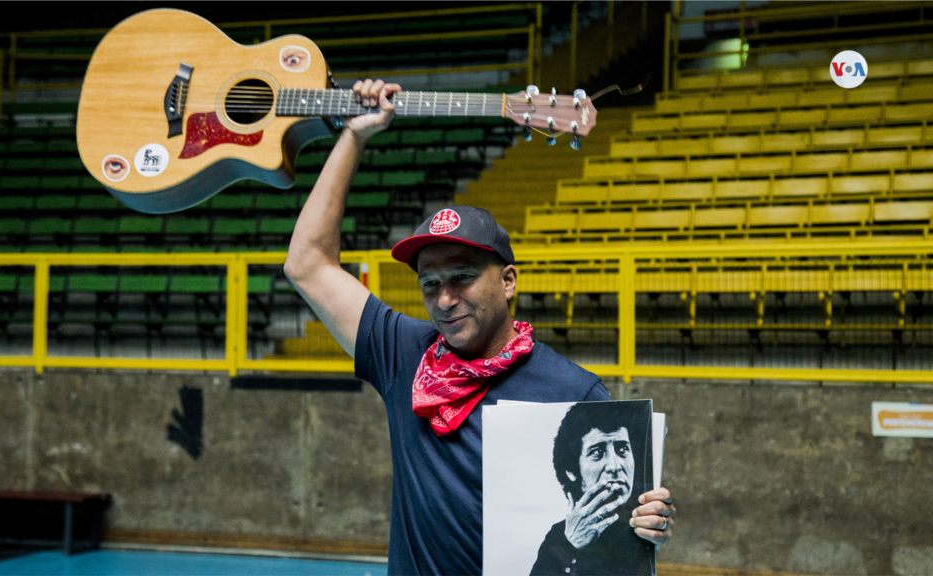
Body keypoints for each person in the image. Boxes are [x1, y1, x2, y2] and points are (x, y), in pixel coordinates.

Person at [283, 78, 676, 576]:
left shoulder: (575, 392)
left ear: (508, 280)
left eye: (463, 278)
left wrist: (649, 523)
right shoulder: (404, 354)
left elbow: (622, 526)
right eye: (430, 284)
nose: (444, 300)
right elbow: (307, 263)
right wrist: (354, 136)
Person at [530, 402, 654, 576]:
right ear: (572, 471)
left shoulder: (646, 518)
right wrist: (570, 546)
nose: (614, 466)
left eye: (622, 449)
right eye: (597, 452)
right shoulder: (560, 537)